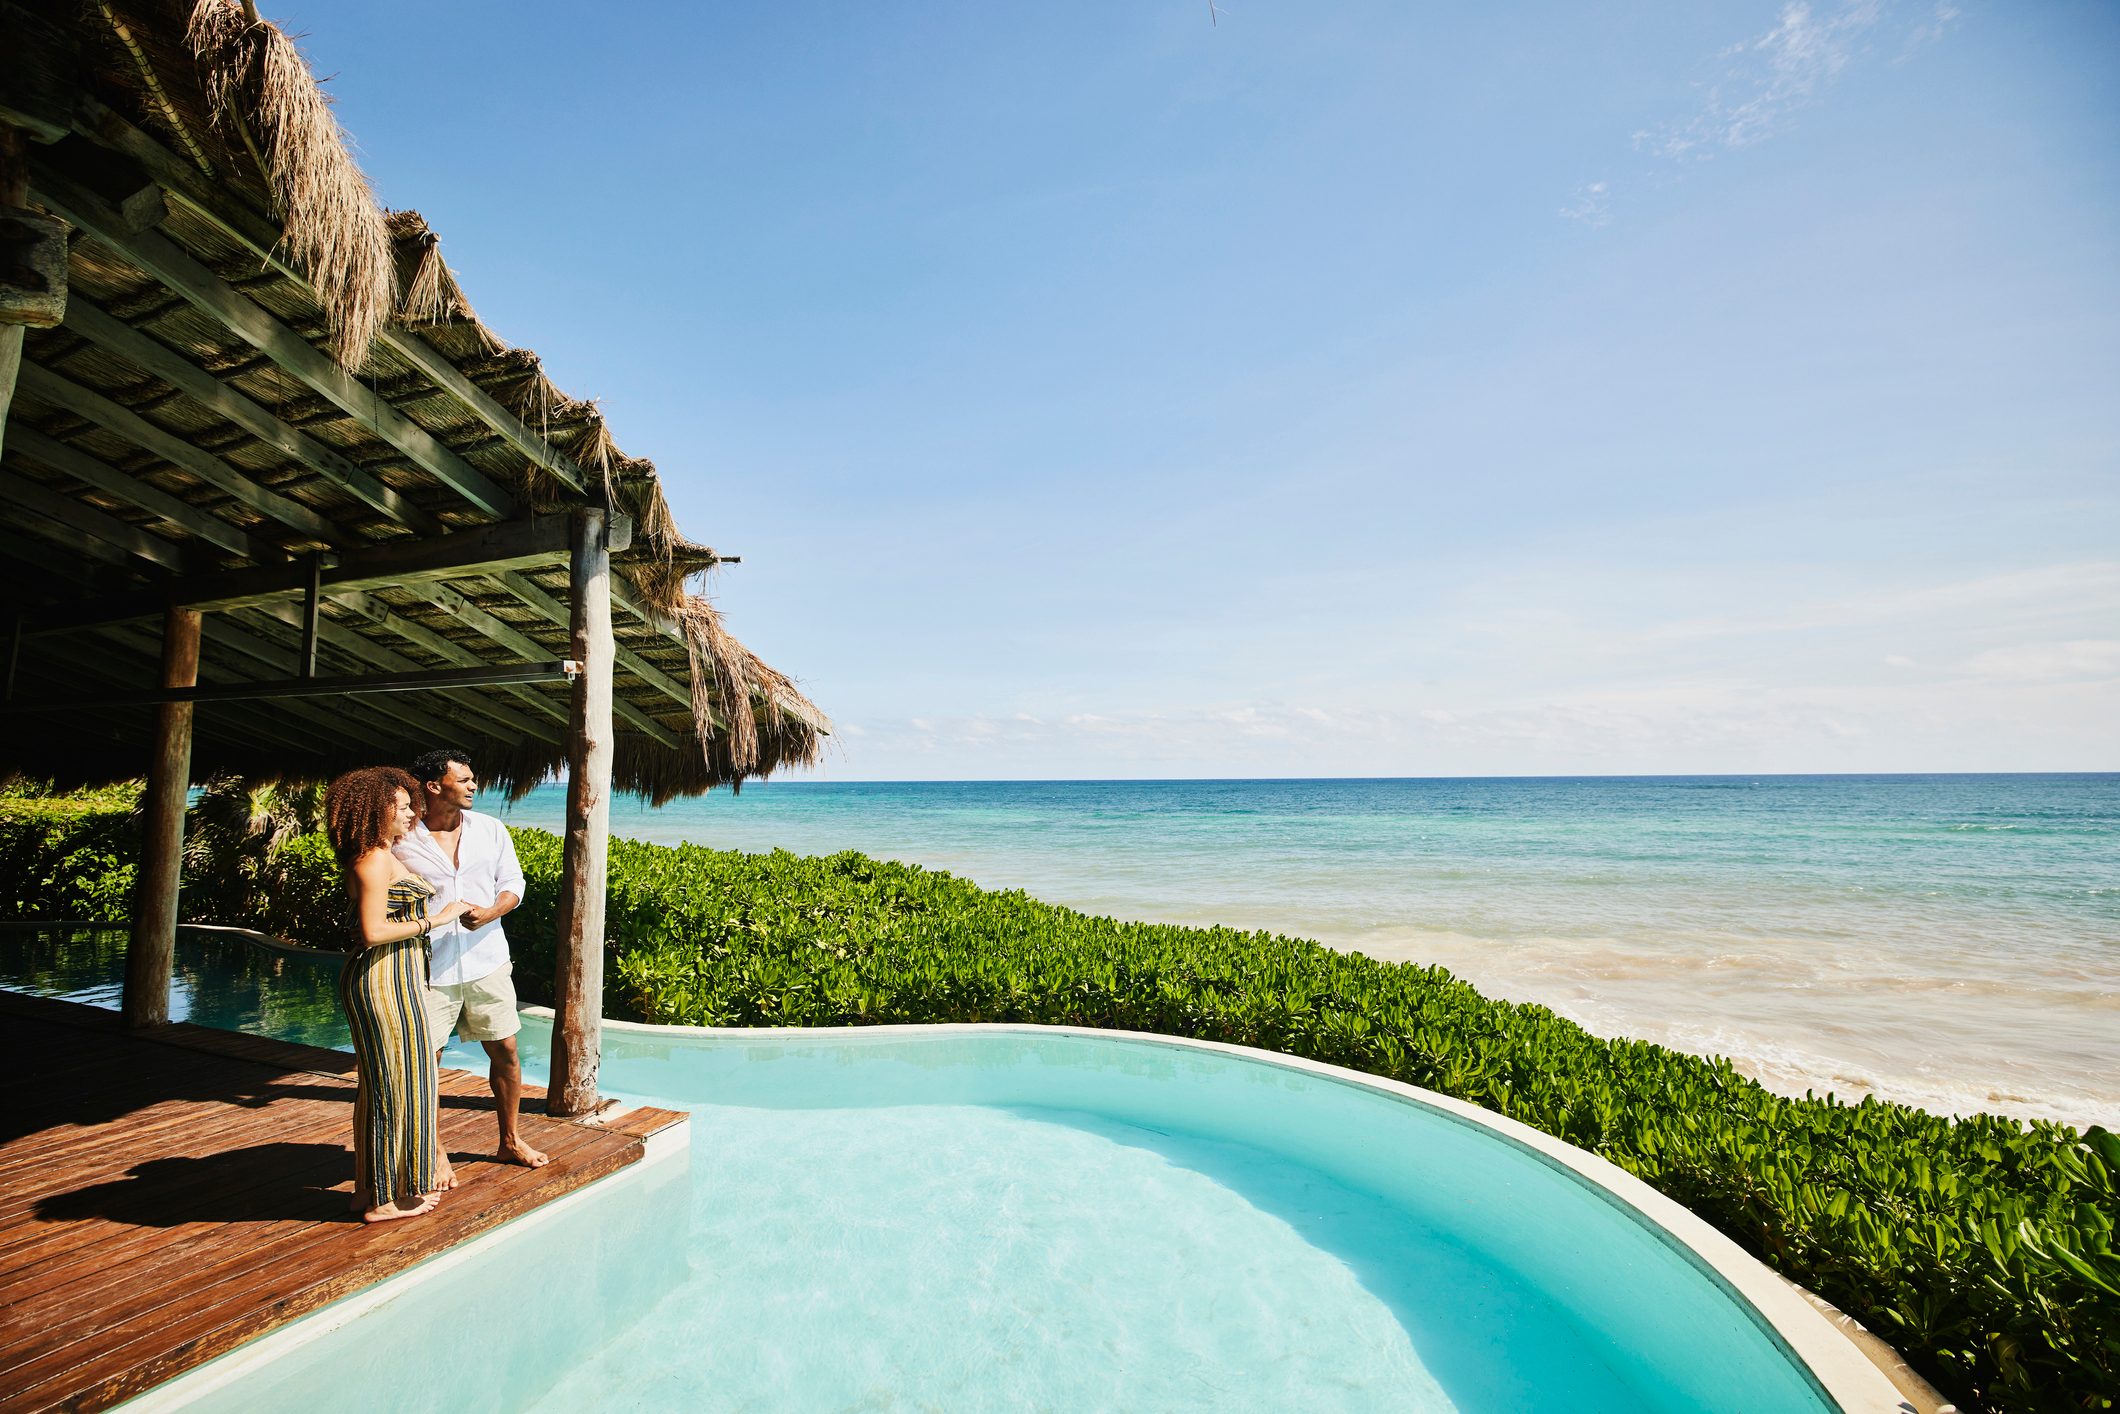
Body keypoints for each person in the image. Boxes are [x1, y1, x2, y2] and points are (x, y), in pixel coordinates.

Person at [325, 766, 470, 1223]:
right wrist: (437, 920)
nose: (413, 812)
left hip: (400, 976)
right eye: (404, 806)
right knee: (393, 1086)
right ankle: (384, 1199)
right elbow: (370, 931)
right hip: (381, 978)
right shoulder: (371, 858)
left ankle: (366, 1187)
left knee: (384, 1085)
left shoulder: (384, 853)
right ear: (377, 811)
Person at [394, 748, 550, 1171]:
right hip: (428, 967)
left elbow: (513, 883)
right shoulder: (402, 837)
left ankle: (511, 1140)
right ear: (433, 786)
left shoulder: (490, 829)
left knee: (507, 1051)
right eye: (463, 779)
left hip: (488, 960)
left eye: (472, 778)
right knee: (427, 1062)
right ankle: (433, 1149)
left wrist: (492, 911)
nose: (473, 785)